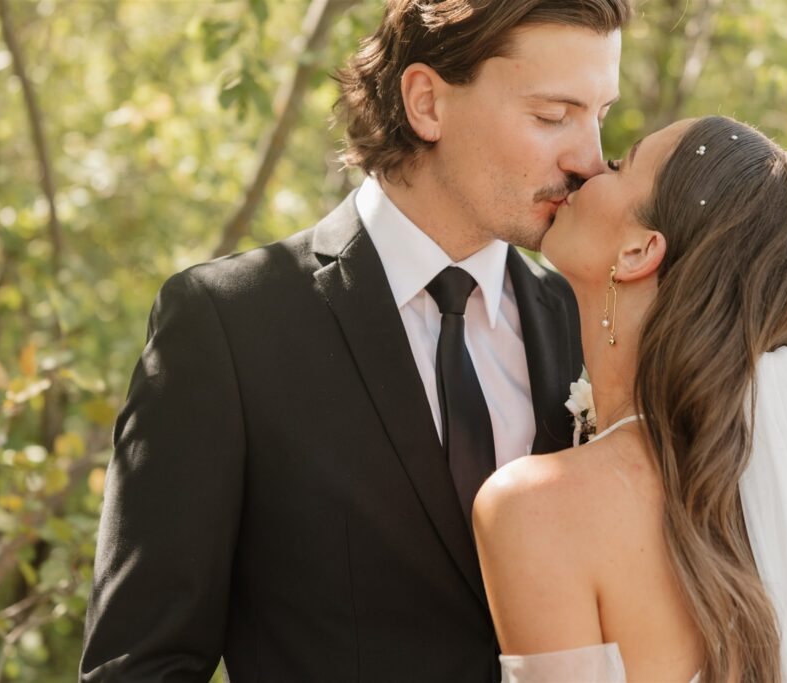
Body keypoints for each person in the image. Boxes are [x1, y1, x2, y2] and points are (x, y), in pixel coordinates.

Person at [79, 1, 631, 680]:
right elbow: (138, 665)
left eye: (599, 116)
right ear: (427, 102)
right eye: (553, 115)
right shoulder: (226, 327)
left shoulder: (591, 331)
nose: (591, 161)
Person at [473, 115, 787, 682]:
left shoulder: (537, 507)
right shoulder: (755, 506)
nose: (591, 167)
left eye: (622, 165)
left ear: (638, 252)